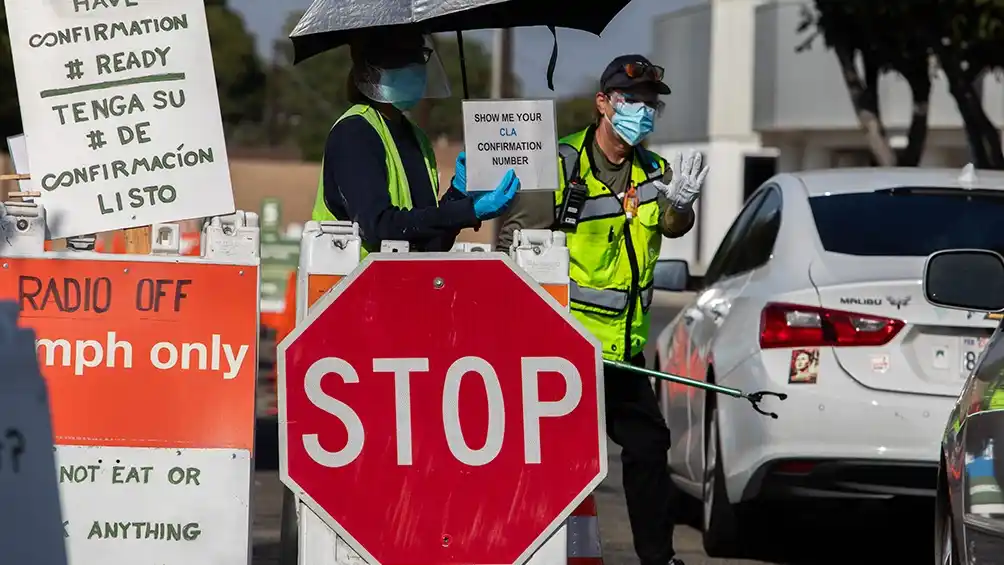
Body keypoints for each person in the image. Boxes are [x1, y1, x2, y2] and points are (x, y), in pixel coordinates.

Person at [495, 54, 709, 565]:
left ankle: (658, 558)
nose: (643, 110)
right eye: (631, 100)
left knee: (649, 446)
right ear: (603, 104)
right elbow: (513, 246)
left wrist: (681, 206)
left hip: (623, 351)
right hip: (565, 348)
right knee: (559, 459)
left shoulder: (655, 172)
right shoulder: (560, 164)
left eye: (650, 103)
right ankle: (536, 551)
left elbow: (671, 224)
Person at [313, 29, 520, 252]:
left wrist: (459, 194)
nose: (415, 67)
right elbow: (378, 226)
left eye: (419, 56)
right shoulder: (354, 132)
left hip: (406, 275)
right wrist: (468, 211)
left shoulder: (417, 138)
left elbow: (429, 240)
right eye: (402, 58)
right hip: (353, 274)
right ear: (371, 70)